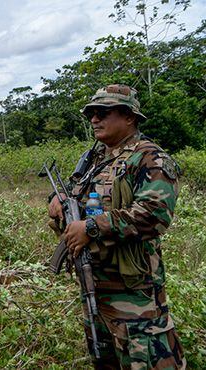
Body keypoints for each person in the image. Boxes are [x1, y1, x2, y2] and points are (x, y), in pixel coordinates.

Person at [48, 84, 184, 368]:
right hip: (94, 286)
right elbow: (78, 196)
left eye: (103, 112)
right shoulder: (95, 159)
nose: (95, 119)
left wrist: (92, 227)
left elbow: (154, 215)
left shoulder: (149, 158)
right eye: (91, 114)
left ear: (130, 117)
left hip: (134, 295)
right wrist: (59, 200)